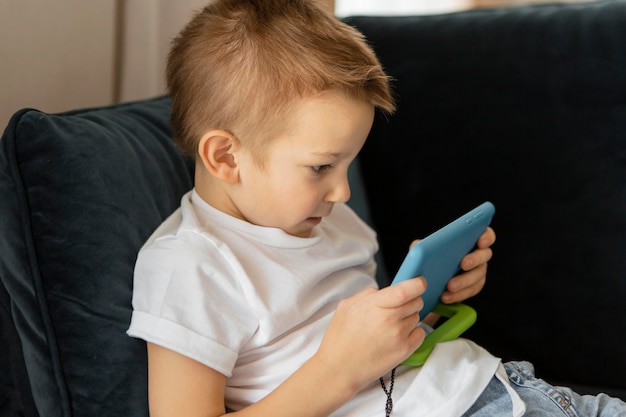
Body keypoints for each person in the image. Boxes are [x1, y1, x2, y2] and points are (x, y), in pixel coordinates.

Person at [127, 1, 626, 416]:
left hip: (501, 389)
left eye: (349, 164)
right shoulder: (189, 265)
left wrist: (431, 300)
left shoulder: (329, 220)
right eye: (321, 167)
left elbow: (393, 355)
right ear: (226, 156)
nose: (343, 192)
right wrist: (339, 371)